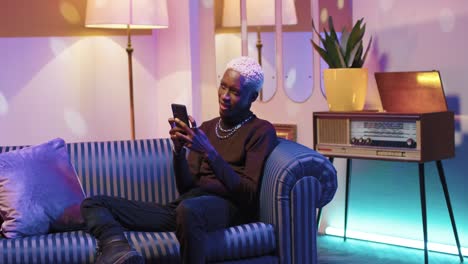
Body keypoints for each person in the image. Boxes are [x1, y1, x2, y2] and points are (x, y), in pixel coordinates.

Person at [80, 56, 278, 264]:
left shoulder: (260, 131)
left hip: (227, 207)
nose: (225, 96)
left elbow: (247, 194)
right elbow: (186, 187)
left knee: (189, 210)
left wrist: (209, 152)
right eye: (222, 87)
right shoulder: (207, 128)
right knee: (93, 203)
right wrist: (178, 152)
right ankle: (116, 248)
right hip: (187, 206)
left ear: (253, 96)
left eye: (235, 92)